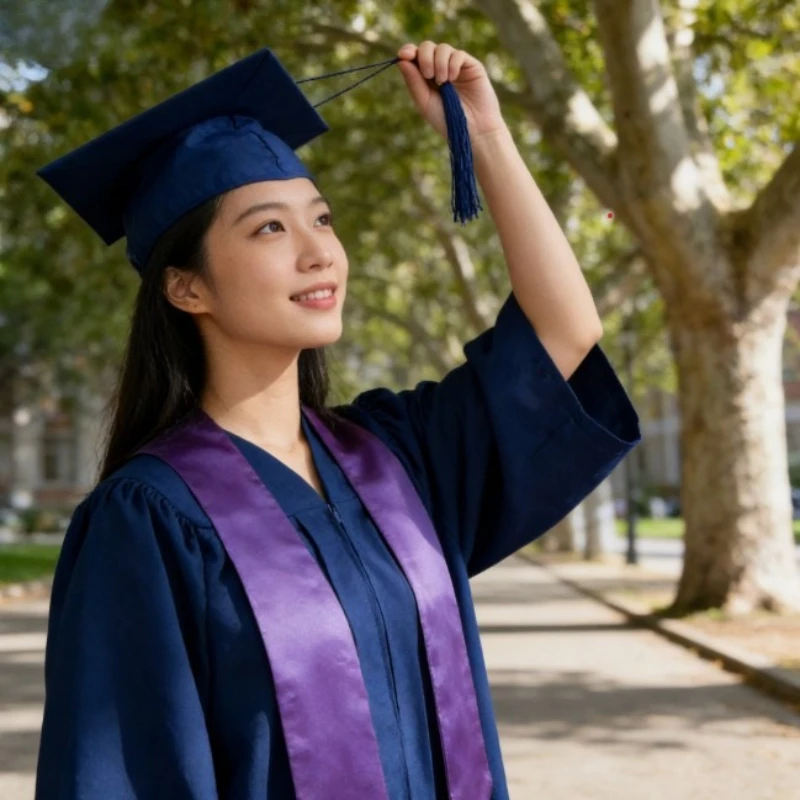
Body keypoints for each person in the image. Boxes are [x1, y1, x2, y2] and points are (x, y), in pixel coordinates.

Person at [34, 41, 640, 799]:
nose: (320, 252)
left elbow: (563, 335)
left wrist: (484, 137)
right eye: (269, 229)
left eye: (321, 219)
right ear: (187, 289)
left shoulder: (395, 455)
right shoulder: (149, 520)